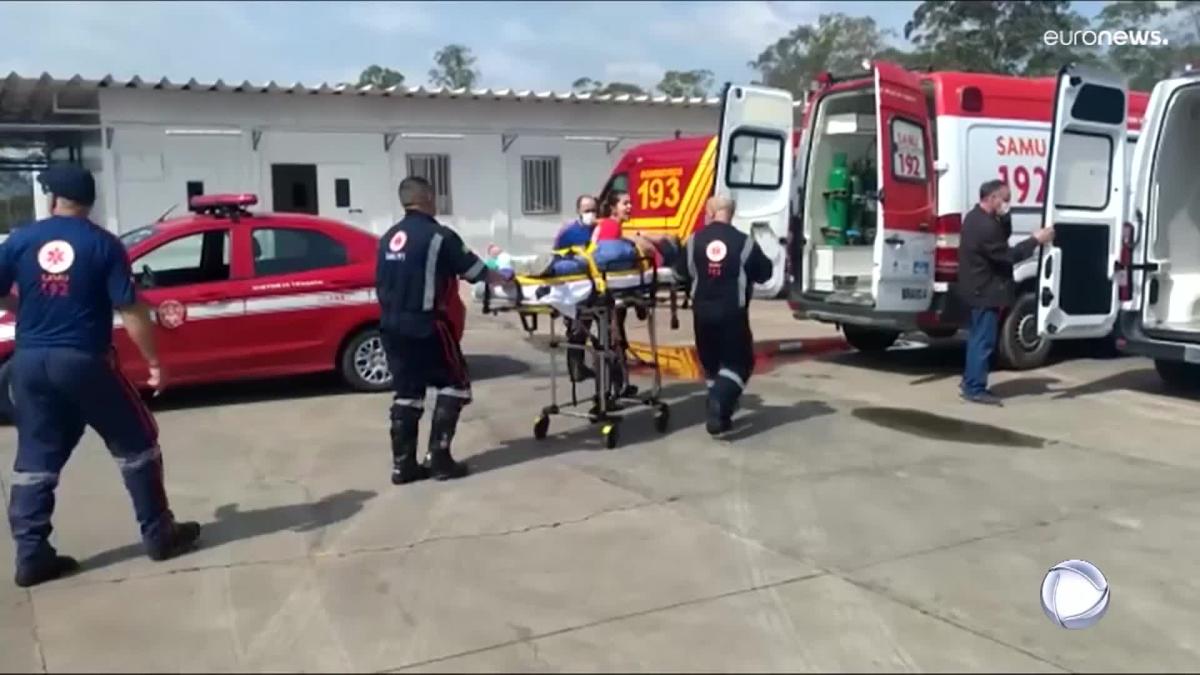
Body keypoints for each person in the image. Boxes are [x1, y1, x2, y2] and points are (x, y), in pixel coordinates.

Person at [1, 165, 199, 588]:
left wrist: (25, 313)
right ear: (89, 202)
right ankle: (160, 535)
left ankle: (32, 555)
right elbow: (131, 311)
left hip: (30, 360)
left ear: (54, 198)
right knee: (138, 442)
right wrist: (155, 362)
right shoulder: (103, 245)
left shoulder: (20, 240)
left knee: (35, 459)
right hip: (83, 362)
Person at [377, 176, 510, 485]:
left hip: (390, 326)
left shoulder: (387, 237)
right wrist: (504, 279)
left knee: (407, 394)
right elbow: (475, 272)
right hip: (426, 324)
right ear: (428, 198)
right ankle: (439, 459)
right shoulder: (439, 236)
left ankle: (403, 466)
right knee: (455, 384)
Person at [675, 196, 773, 435]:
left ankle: (720, 409)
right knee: (740, 363)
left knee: (712, 364)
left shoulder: (694, 240)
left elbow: (680, 274)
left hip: (702, 313)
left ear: (710, 211)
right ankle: (719, 403)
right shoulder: (744, 242)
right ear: (732, 212)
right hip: (732, 313)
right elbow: (765, 273)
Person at [957, 179, 1054, 406]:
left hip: (976, 288)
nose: (1008, 203)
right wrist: (1035, 240)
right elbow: (1008, 254)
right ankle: (975, 387)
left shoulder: (977, 217)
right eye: (1005, 199)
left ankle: (970, 380)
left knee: (977, 338)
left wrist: (1005, 217)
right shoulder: (985, 226)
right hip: (985, 290)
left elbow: (1003, 236)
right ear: (992, 198)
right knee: (984, 340)